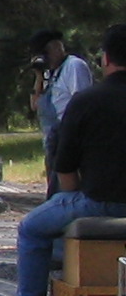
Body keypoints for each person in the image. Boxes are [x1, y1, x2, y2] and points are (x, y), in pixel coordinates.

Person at [0, 22, 126, 296]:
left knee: (33, 228)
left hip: (96, 200)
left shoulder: (86, 101)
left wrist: (74, 201)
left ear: (105, 59)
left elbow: (64, 169)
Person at [30, 29, 93, 195]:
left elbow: (81, 103)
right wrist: (38, 77)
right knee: (53, 186)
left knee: (65, 190)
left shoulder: (74, 66)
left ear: (57, 48)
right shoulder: (49, 73)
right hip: (51, 137)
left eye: (46, 54)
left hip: (68, 134)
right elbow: (35, 105)